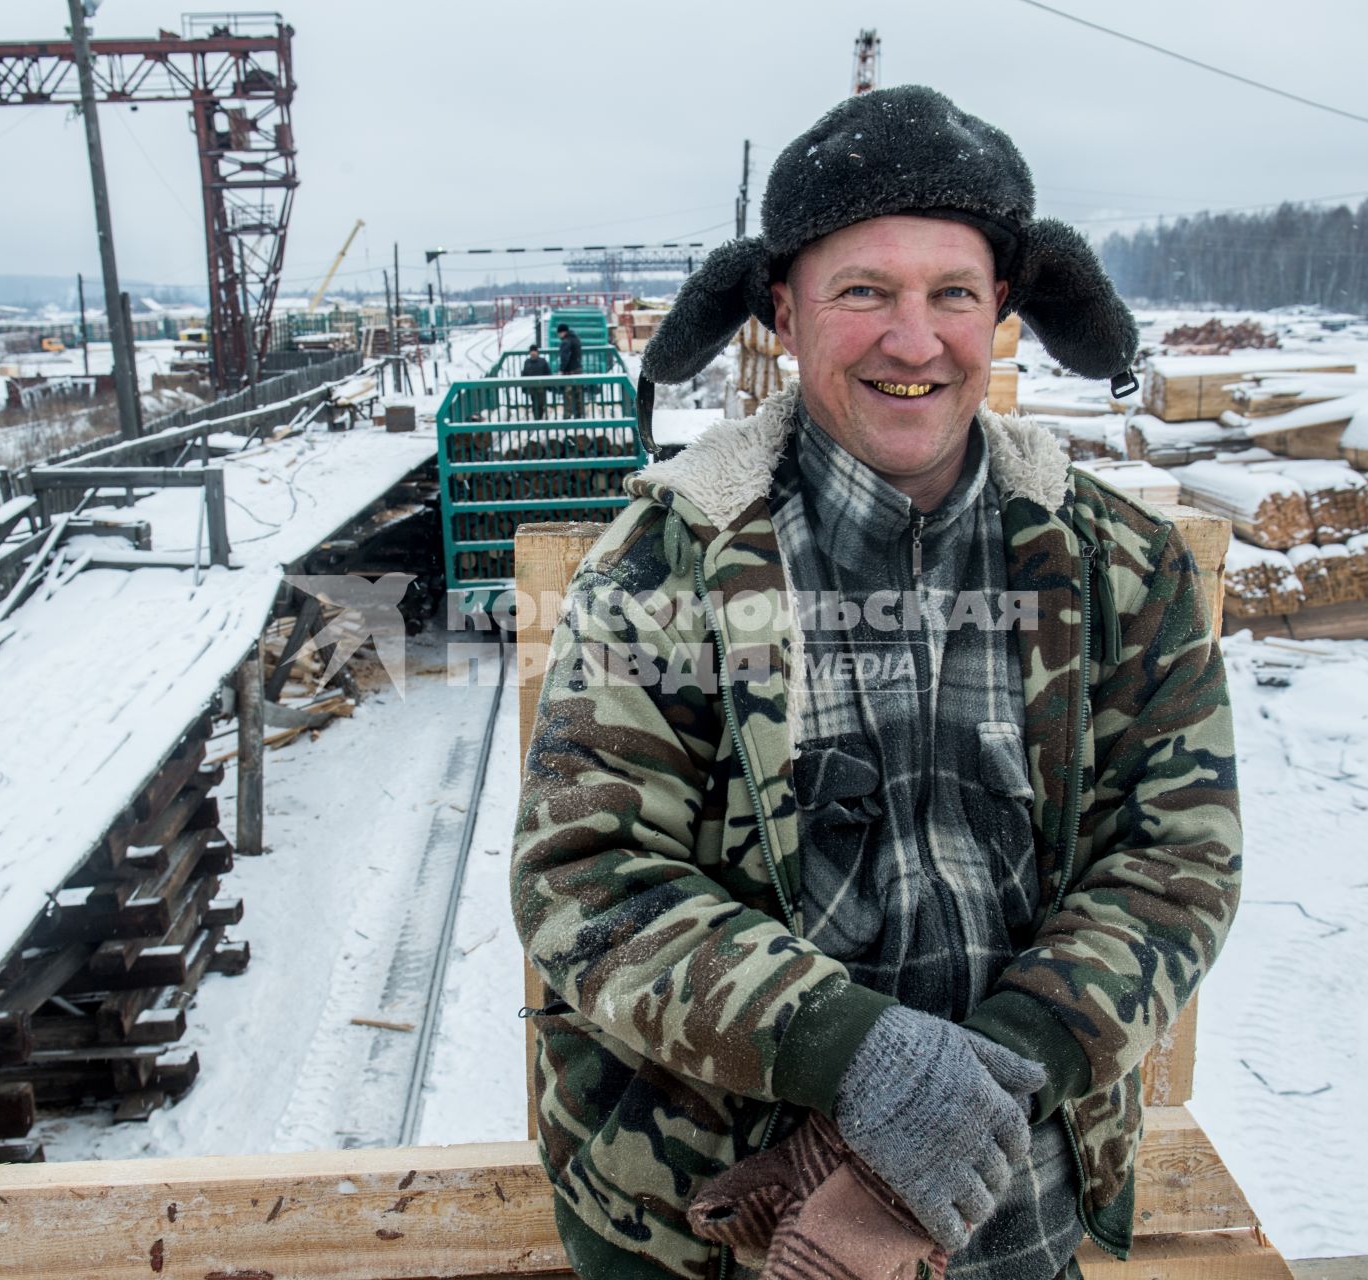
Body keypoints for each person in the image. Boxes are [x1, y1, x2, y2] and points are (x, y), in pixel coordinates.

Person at [511, 85, 1241, 1280]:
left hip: (1022, 1202)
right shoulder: (664, 566)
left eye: (952, 293)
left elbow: (1179, 853)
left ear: (1003, 309)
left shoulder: (1117, 564)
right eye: (863, 292)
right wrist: (855, 1055)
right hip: (713, 1221)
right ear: (783, 316)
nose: (916, 340)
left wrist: (998, 1070)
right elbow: (588, 877)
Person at [556, 321, 584, 419]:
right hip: (578, 370)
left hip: (569, 372)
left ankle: (567, 416)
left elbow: (565, 358)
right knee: (578, 394)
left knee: (568, 395)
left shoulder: (566, 342)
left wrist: (561, 370)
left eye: (559, 333)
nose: (559, 336)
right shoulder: (576, 339)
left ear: (562, 332)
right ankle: (579, 415)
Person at [520, 342, 552, 420]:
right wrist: (523, 387)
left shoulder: (542, 361)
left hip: (541, 387)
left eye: (534, 351)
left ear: (537, 352)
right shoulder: (527, 362)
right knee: (534, 403)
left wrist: (549, 385)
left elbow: (547, 373)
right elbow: (524, 374)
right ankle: (537, 419)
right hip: (532, 387)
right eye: (531, 351)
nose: (533, 353)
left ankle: (539, 418)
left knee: (540, 404)